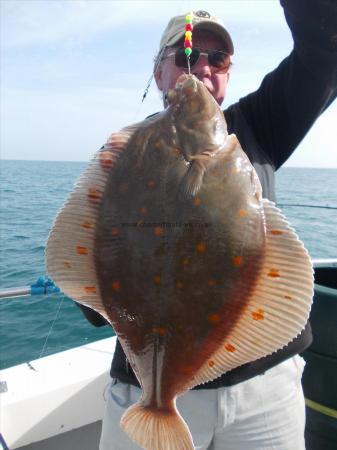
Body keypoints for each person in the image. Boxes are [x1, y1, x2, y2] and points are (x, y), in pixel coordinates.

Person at [78, 2, 337, 449]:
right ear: (158, 72)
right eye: (185, 55)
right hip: (146, 387)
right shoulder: (122, 155)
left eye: (217, 59)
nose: (201, 67)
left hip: (264, 390)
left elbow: (324, 53)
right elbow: (91, 288)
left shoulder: (258, 126)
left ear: (229, 73)